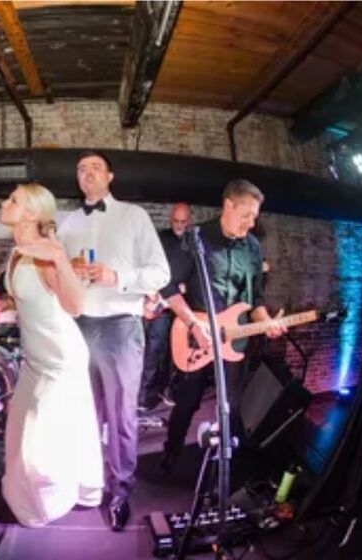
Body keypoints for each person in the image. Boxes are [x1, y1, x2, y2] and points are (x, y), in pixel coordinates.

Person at [57, 151, 170, 531]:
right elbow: (56, 276)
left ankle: (121, 490)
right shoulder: (67, 222)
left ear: (110, 176)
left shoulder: (133, 216)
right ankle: (88, 483)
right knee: (83, 412)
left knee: (121, 414)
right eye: (81, 168)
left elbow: (160, 273)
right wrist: (69, 271)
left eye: (95, 168)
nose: (87, 173)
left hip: (120, 326)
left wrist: (116, 277)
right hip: (77, 325)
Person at [159, 179, 286, 474]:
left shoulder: (252, 247)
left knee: (232, 404)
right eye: (246, 215)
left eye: (255, 216)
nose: (251, 223)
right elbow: (168, 286)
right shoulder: (196, 238)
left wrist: (266, 322)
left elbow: (255, 300)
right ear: (228, 205)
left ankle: (228, 465)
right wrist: (193, 324)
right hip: (197, 335)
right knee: (187, 401)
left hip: (234, 339)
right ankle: (171, 452)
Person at [0, 183, 103, 527]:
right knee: (18, 429)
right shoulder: (18, 251)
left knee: (38, 445)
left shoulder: (46, 253)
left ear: (30, 213)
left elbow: (75, 306)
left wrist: (60, 259)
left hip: (60, 358)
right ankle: (39, 496)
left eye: (13, 200)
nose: (4, 203)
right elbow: (32, 298)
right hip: (36, 358)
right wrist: (6, 308)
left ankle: (46, 506)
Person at [139, 202, 192, 411]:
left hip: (182, 305)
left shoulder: (194, 243)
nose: (179, 225)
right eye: (176, 221)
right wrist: (149, 293)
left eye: (183, 221)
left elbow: (197, 272)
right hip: (161, 303)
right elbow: (148, 267)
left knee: (177, 350)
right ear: (171, 219)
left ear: (189, 221)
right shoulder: (160, 239)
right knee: (154, 349)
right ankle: (145, 396)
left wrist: (188, 286)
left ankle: (170, 390)